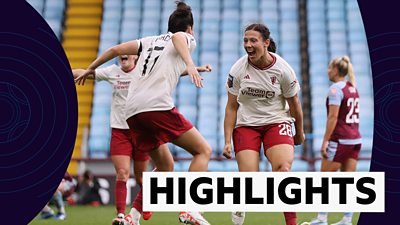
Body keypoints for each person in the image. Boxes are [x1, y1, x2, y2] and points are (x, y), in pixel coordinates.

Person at [75, 2, 213, 225]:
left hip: (132, 112)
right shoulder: (185, 38)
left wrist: (91, 68)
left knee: (166, 166)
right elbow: (178, 39)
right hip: (156, 106)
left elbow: (115, 50)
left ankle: (133, 217)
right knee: (203, 150)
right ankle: (191, 209)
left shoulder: (148, 41)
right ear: (190, 29)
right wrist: (190, 63)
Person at [222, 23, 305, 225]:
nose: (248, 45)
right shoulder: (238, 69)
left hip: (276, 122)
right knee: (250, 179)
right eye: (245, 41)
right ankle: (241, 205)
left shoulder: (283, 70)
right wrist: (227, 141)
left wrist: (299, 132)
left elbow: (295, 105)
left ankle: (291, 223)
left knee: (283, 170)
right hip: (247, 125)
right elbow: (231, 107)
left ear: (266, 43)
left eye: (253, 40)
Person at [307, 56, 361, 225]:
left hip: (340, 140)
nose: (328, 71)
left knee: (324, 179)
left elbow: (333, 118)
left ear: (336, 70)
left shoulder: (335, 89)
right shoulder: (353, 87)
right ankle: (347, 218)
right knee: (348, 181)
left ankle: (322, 218)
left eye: (330, 68)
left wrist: (325, 141)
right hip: (355, 140)